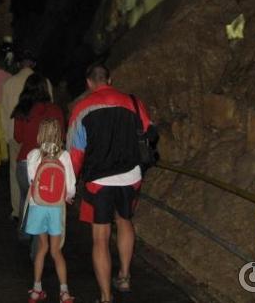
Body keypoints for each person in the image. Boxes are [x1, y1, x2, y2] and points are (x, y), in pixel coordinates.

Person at [66, 64, 153, 303]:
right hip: (130, 175)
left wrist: (70, 183)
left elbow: (75, 151)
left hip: (99, 178)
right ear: (110, 80)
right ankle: (124, 276)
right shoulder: (133, 102)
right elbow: (148, 131)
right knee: (125, 221)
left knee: (100, 236)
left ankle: (105, 297)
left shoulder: (82, 108)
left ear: (88, 83)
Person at [25, 119, 76, 303]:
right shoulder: (64, 156)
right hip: (56, 207)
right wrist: (68, 195)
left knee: (42, 248)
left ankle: (36, 290)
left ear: (40, 135)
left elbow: (32, 180)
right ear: (60, 135)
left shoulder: (32, 155)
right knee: (56, 250)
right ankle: (64, 292)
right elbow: (71, 186)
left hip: (37, 206)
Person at [1, 50, 53, 221]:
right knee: (39, 173)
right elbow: (49, 108)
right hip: (40, 136)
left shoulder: (9, 83)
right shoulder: (45, 82)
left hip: (16, 135)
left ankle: (18, 210)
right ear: (34, 64)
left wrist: (7, 135)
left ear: (19, 63)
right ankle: (38, 207)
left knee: (16, 174)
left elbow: (4, 112)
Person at [12, 73, 64, 233]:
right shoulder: (55, 110)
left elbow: (18, 137)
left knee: (25, 199)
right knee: (44, 202)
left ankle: (24, 234)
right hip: (47, 162)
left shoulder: (22, 110)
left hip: (25, 162)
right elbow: (61, 135)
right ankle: (41, 240)